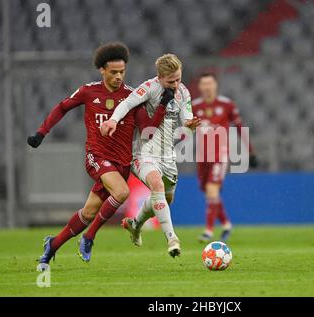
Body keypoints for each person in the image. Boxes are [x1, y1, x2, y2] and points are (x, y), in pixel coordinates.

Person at [28, 42, 167, 270]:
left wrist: (162, 105)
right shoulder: (88, 91)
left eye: (122, 72)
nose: (118, 76)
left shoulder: (133, 96)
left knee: (88, 212)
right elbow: (62, 107)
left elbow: (147, 128)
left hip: (121, 163)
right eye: (113, 72)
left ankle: (52, 245)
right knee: (122, 192)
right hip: (97, 156)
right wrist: (42, 132)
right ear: (102, 70)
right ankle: (90, 237)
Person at [101, 54, 201, 257]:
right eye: (170, 81)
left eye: (178, 79)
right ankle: (172, 239)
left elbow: (187, 123)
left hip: (168, 156)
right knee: (157, 185)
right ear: (160, 77)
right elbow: (127, 104)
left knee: (165, 198)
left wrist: (190, 126)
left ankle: (135, 224)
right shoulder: (149, 87)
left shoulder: (183, 92)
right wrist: (113, 120)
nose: (175, 84)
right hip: (143, 152)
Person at [192, 73, 258, 242]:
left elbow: (239, 127)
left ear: (215, 86)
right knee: (209, 192)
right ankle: (227, 223)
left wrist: (250, 151)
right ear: (200, 87)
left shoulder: (226, 105)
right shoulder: (194, 106)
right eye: (204, 84)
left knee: (212, 189)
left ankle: (208, 230)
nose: (207, 87)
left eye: (210, 83)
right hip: (202, 155)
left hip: (219, 154)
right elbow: (186, 130)